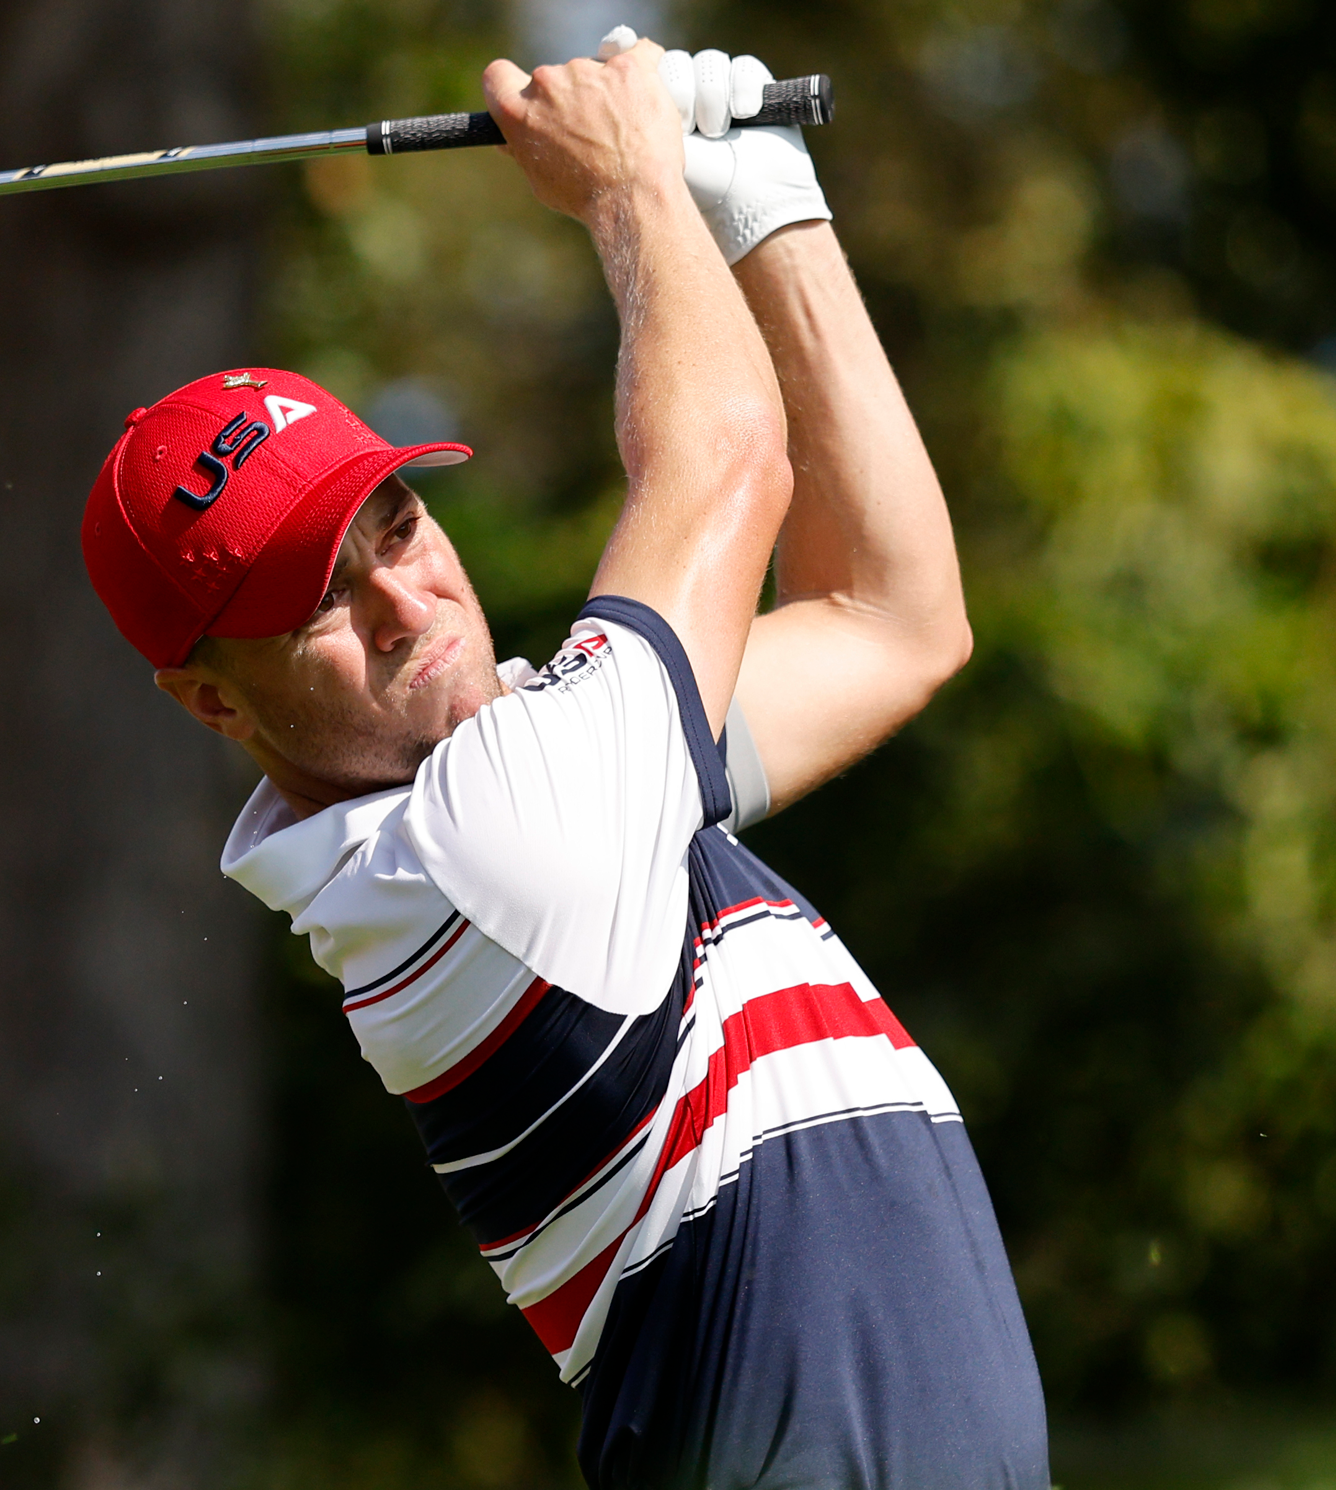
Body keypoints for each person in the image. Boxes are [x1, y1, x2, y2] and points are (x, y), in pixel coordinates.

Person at [79, 28, 1049, 1490]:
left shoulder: (564, 769)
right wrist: (630, 189)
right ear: (216, 704)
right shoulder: (481, 851)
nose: (409, 602)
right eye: (318, 601)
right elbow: (724, 461)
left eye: (394, 527)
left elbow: (893, 618)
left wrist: (764, 207)